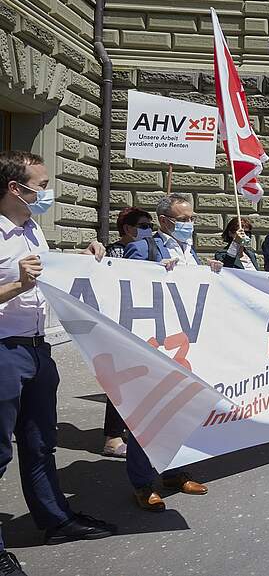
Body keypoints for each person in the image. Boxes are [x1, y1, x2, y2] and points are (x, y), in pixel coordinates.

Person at [0, 150, 116, 561]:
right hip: (3, 353)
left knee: (40, 443)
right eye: (42, 184)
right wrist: (16, 285)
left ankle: (55, 521)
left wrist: (82, 262)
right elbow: (21, 284)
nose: (47, 192)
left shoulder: (33, 230)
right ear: (16, 188)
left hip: (36, 350)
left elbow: (48, 275)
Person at [123, 194, 220, 511]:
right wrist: (152, 271)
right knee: (147, 415)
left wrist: (214, 272)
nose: (190, 224)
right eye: (184, 219)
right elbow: (123, 285)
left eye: (192, 218)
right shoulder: (143, 248)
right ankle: (141, 483)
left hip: (185, 345)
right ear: (164, 220)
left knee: (180, 412)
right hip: (153, 345)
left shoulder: (190, 251)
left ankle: (173, 472)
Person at [101, 207, 154, 458]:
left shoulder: (151, 248)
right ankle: (112, 436)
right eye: (144, 225)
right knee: (119, 381)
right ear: (128, 229)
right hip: (120, 324)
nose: (148, 230)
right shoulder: (114, 252)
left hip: (144, 321)